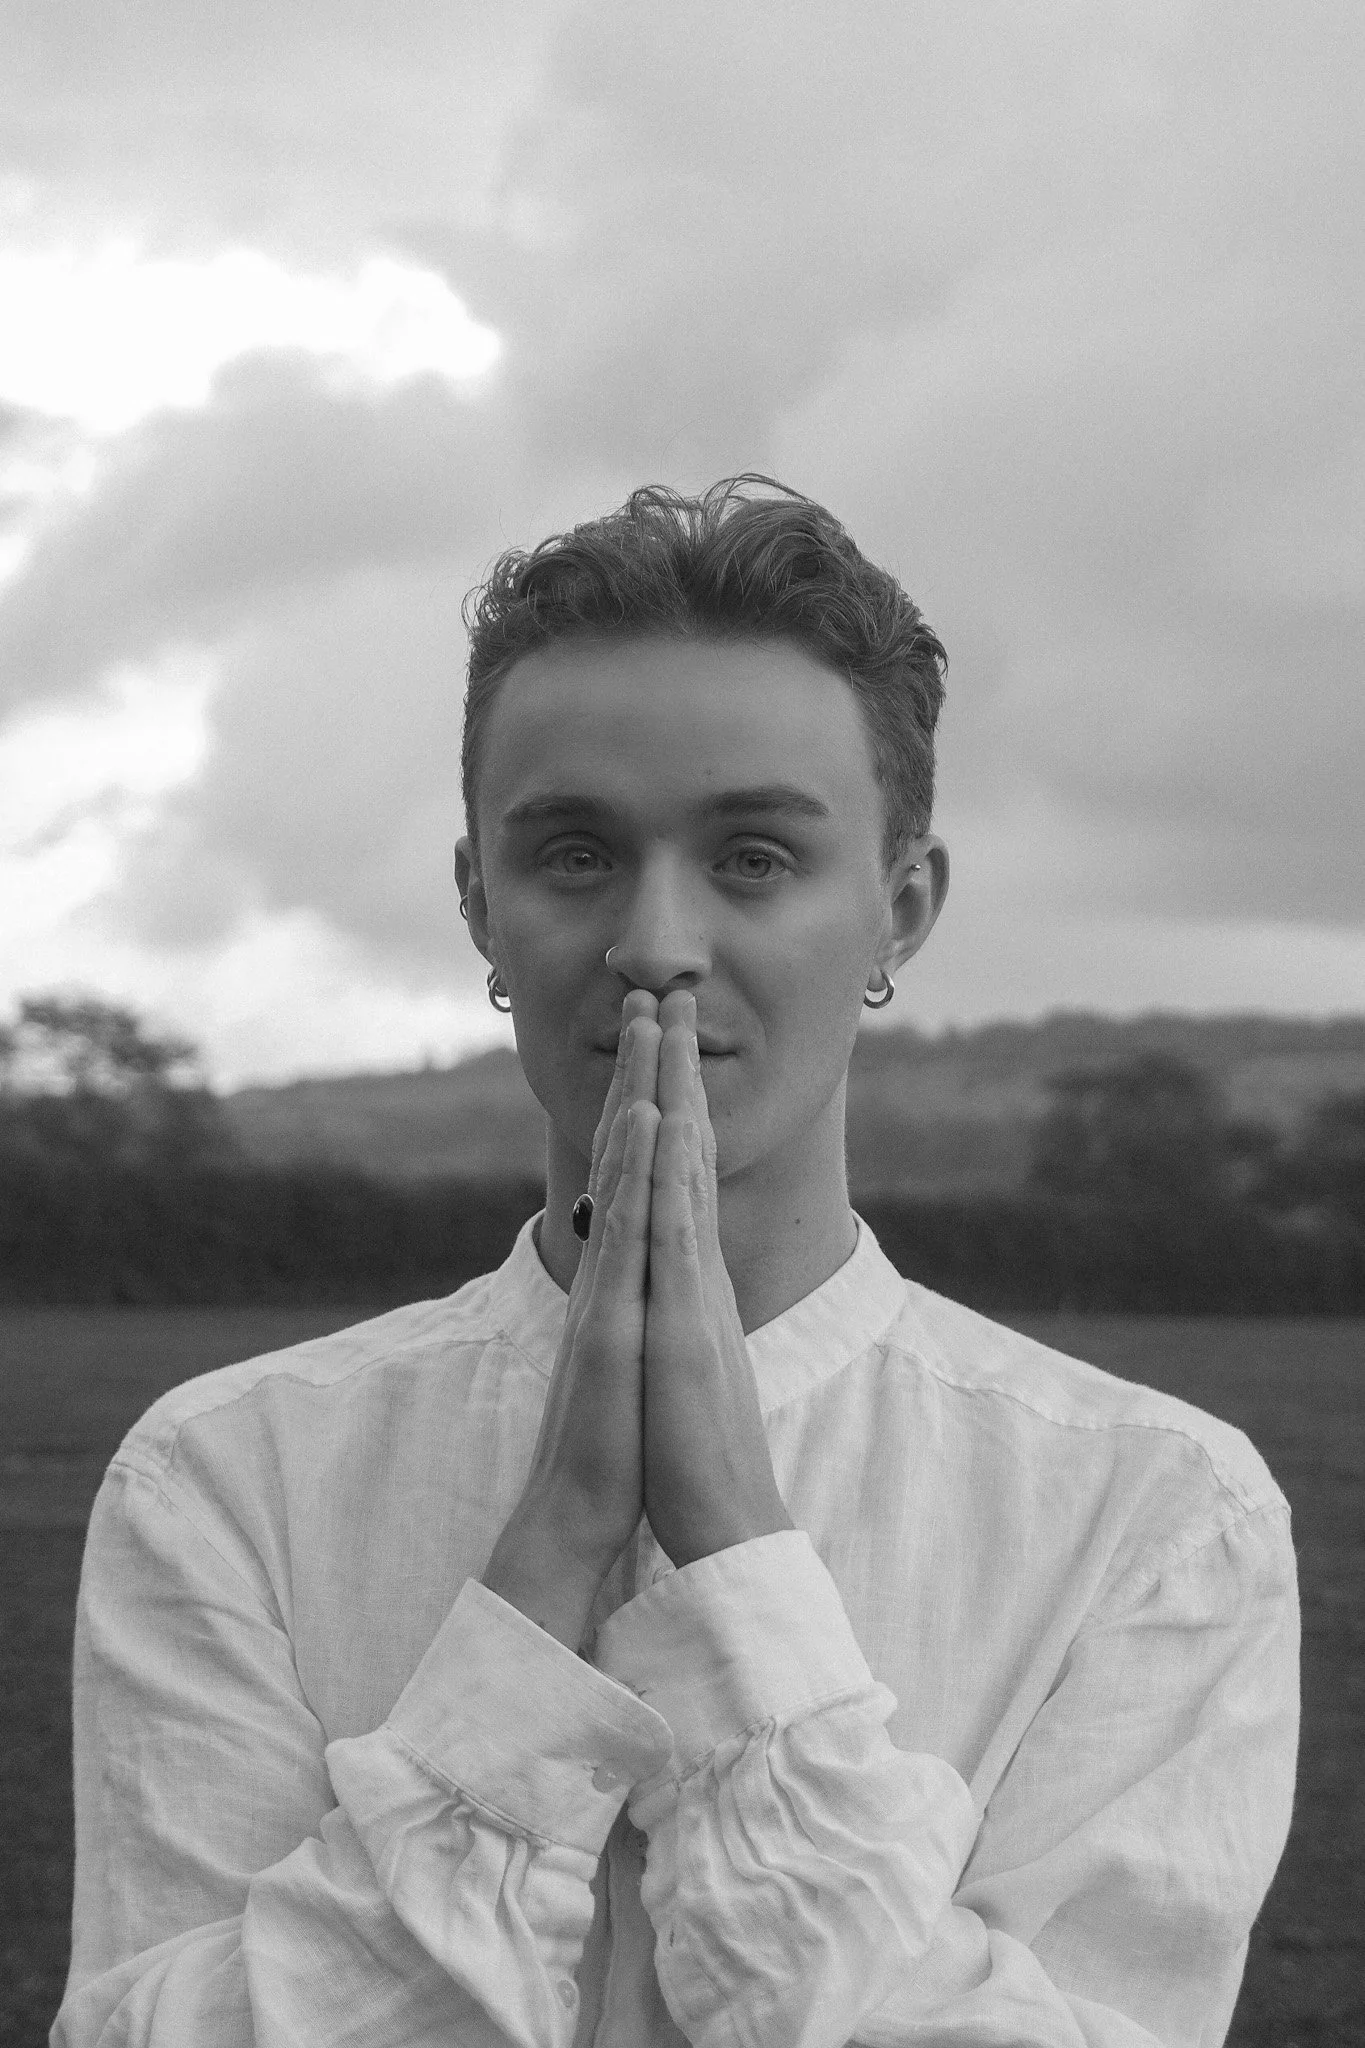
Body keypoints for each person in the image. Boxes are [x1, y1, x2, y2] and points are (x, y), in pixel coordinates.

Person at [54, 478, 1298, 2048]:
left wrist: (737, 1564)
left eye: (755, 858)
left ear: (901, 910)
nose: (654, 941)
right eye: (574, 854)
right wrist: (550, 1552)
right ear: (478, 903)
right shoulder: (224, 1478)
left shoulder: (1160, 1517)